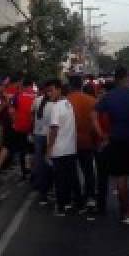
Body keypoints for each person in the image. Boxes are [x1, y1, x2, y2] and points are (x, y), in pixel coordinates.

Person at [93, 67, 129, 223]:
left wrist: (102, 135)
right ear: (127, 78)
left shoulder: (109, 97)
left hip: (117, 139)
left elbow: (94, 115)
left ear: (115, 79)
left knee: (121, 177)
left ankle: (126, 213)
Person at [45, 79, 82, 216]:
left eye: (51, 90)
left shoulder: (56, 107)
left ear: (59, 89)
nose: (49, 94)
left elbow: (54, 129)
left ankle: (61, 206)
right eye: (47, 91)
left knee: (60, 180)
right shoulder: (68, 104)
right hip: (70, 148)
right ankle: (77, 203)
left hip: (59, 149)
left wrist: (49, 149)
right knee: (72, 178)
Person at [67, 76, 100, 219]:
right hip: (87, 140)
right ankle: (90, 196)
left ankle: (77, 197)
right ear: (81, 85)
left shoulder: (65, 101)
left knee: (72, 171)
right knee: (88, 170)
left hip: (69, 142)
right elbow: (96, 123)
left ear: (70, 86)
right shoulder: (92, 101)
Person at [31, 83, 54, 206]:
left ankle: (41, 189)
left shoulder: (37, 100)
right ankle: (49, 188)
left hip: (38, 135)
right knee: (49, 163)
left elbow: (32, 115)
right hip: (50, 136)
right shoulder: (55, 103)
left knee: (39, 163)